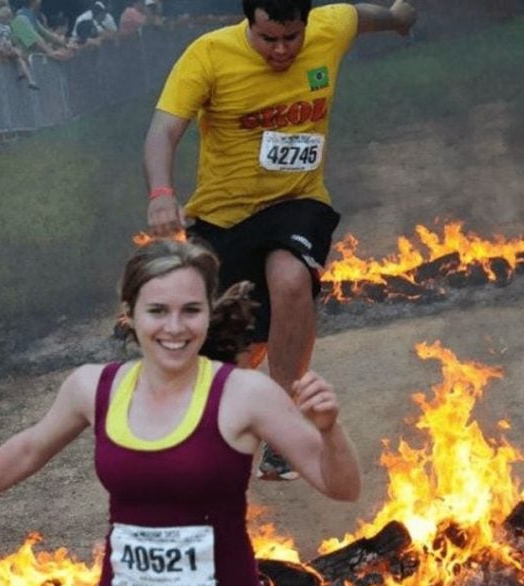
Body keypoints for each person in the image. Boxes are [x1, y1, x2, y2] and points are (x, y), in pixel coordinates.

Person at [0, 239, 361, 586]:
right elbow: (27, 450)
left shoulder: (244, 394)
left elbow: (341, 486)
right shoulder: (94, 388)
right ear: (129, 314)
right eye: (157, 311)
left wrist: (329, 429)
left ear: (207, 312)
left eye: (190, 311)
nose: (174, 328)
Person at [143, 0, 416, 480]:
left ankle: (284, 424)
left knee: (290, 278)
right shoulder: (208, 55)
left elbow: (367, 15)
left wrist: (398, 18)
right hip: (223, 219)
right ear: (250, 22)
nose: (282, 50)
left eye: (292, 38)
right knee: (234, 351)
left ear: (306, 24)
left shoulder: (330, 28)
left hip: (297, 200)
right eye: (268, 38)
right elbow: (163, 131)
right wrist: (162, 194)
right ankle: (203, 438)